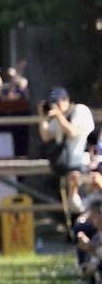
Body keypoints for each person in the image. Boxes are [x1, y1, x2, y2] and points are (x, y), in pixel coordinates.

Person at [41, 87, 96, 226]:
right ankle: (72, 230)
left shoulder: (80, 110)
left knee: (84, 205)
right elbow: (46, 136)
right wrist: (42, 116)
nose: (55, 106)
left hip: (82, 164)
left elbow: (72, 132)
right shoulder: (58, 117)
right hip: (64, 166)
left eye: (57, 102)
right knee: (69, 207)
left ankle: (86, 230)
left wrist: (59, 116)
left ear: (66, 100)